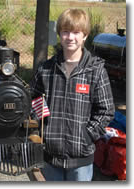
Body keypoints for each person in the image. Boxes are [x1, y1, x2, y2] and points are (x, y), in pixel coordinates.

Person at [30, 8, 115, 181]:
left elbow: (106, 111)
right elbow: (34, 102)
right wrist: (44, 130)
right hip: (50, 157)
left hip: (81, 161)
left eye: (76, 32)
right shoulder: (46, 69)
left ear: (85, 36)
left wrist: (86, 134)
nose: (70, 37)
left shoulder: (95, 71)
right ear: (59, 35)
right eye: (66, 32)